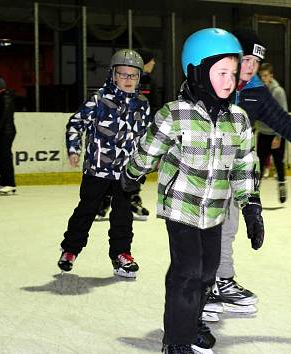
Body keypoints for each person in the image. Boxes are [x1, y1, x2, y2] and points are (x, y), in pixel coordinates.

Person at [122, 28, 263, 354]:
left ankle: (193, 320)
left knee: (207, 273)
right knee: (186, 273)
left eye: (233, 72)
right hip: (181, 208)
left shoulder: (238, 120)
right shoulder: (174, 115)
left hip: (214, 209)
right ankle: (177, 339)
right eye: (221, 73)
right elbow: (147, 151)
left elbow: (243, 166)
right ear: (197, 71)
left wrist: (251, 206)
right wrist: (131, 176)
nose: (229, 81)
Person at [204, 28, 291, 319]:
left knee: (228, 227)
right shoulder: (211, 84)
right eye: (245, 60)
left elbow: (280, 119)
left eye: (255, 63)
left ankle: (221, 280)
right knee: (206, 229)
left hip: (234, 172)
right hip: (202, 172)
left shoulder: (255, 91)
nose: (250, 68)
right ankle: (202, 287)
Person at [57, 49, 150, 278]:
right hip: (97, 169)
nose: (128, 80)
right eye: (123, 74)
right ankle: (70, 249)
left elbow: (147, 136)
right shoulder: (99, 99)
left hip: (126, 172)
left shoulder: (142, 104)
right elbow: (76, 123)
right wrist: (74, 150)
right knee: (87, 210)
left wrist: (144, 163)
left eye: (133, 76)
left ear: (139, 78)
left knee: (123, 214)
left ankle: (121, 254)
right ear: (113, 75)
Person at [95, 48, 158, 222]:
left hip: (141, 129)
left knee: (136, 165)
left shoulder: (149, 81)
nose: (153, 64)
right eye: (151, 61)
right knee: (114, 165)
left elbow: (152, 105)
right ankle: (104, 202)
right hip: (120, 130)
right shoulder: (123, 80)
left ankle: (132, 200)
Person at [256, 62, 290, 203]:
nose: (263, 78)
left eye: (265, 76)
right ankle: (254, 192)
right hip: (262, 133)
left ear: (271, 76)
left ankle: (282, 185)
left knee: (278, 163)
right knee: (259, 164)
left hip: (276, 135)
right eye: (261, 76)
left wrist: (278, 136)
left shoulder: (278, 92)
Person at [0, 77, 17, 193]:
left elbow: (2, 118)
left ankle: (9, 183)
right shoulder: (1, 98)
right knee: (0, 158)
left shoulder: (5, 98)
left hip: (5, 133)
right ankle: (4, 181)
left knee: (5, 158)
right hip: (2, 132)